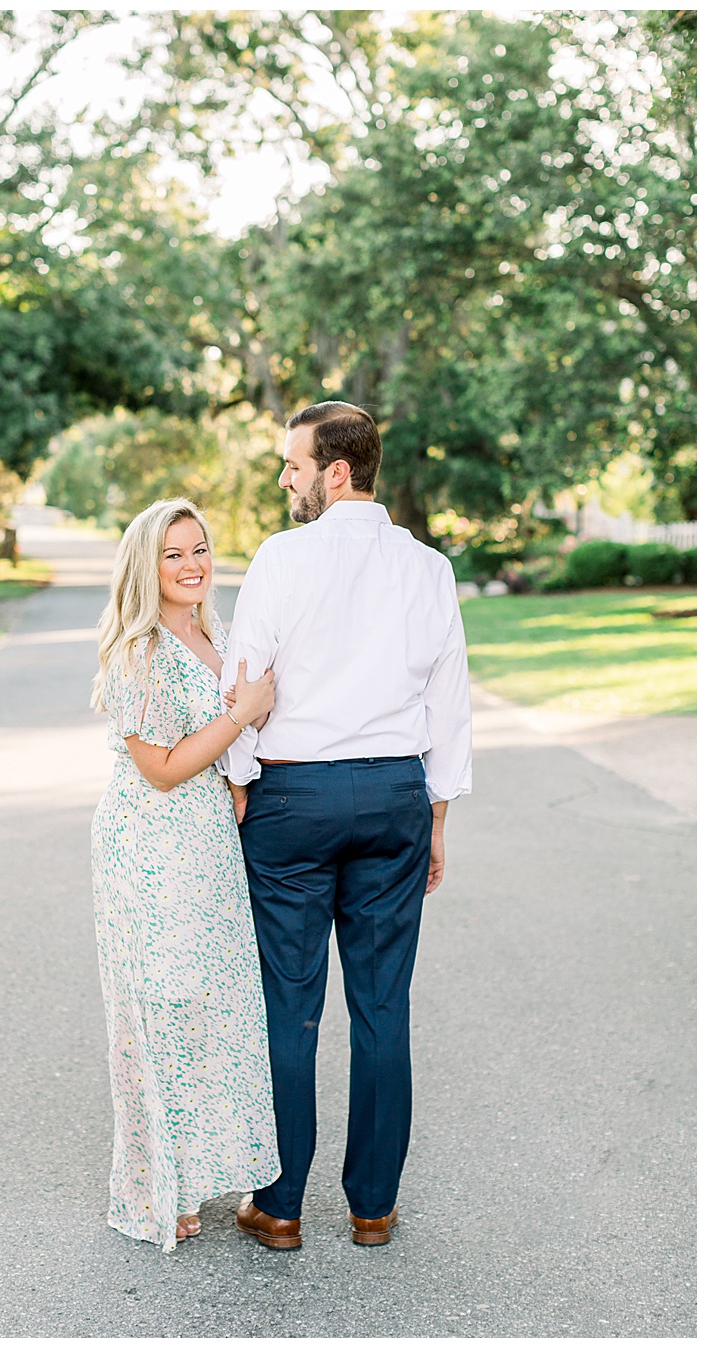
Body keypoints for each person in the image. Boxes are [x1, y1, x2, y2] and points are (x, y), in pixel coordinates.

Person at [220, 401, 472, 1251]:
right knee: (382, 1007)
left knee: (289, 1010)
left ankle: (281, 1206)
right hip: (397, 796)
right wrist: (435, 817)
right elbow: (449, 706)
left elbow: (243, 681)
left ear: (335, 471)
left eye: (293, 465)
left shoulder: (281, 559)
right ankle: (372, 1207)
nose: (284, 479)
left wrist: (242, 782)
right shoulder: (429, 569)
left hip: (294, 800)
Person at [88, 497, 280, 1253]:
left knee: (210, 1008)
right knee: (160, 1006)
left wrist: (238, 773)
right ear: (147, 566)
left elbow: (222, 745)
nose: (193, 564)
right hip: (149, 847)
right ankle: (154, 1185)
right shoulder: (136, 651)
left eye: (199, 548)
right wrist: (242, 719)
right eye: (173, 554)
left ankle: (197, 1170)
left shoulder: (216, 633)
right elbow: (162, 767)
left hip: (208, 847)